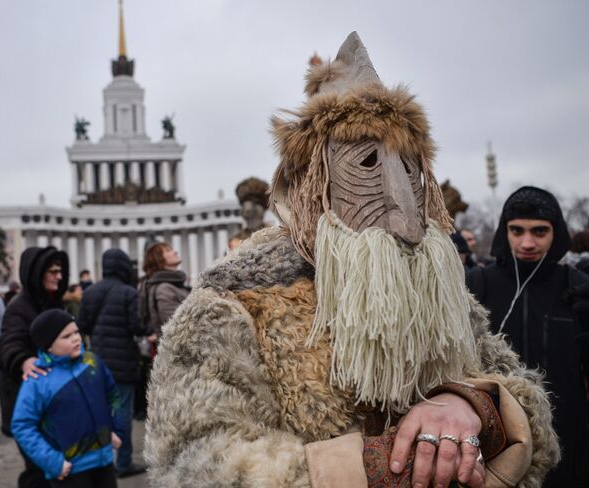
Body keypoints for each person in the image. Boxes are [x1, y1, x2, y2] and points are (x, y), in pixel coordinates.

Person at [145, 32, 559, 488]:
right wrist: (381, 465)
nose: (405, 217)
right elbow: (191, 460)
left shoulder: (445, 301)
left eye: (410, 170)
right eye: (366, 166)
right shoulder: (232, 307)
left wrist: (474, 403)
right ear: (309, 187)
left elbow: (524, 398)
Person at [467, 186, 589, 486]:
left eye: (539, 231)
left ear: (555, 233)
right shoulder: (477, 284)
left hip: (568, 442)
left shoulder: (578, 288)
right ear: (504, 232)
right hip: (497, 437)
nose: (527, 242)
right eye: (517, 230)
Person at [12, 309, 123, 488]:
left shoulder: (92, 362)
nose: (76, 338)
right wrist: (53, 463)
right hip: (71, 471)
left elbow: (112, 395)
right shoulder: (38, 381)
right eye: (66, 336)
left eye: (76, 332)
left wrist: (116, 429)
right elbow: (22, 426)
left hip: (104, 460)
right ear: (48, 346)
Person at [0, 246, 69, 488]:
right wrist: (23, 360)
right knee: (38, 471)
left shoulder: (53, 304)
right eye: (52, 271)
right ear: (36, 273)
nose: (59, 276)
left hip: (51, 406)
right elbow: (8, 345)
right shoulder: (19, 307)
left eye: (60, 271)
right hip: (26, 405)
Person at [77, 249, 149, 478]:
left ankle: (103, 458)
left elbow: (82, 326)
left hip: (96, 362)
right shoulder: (128, 292)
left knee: (101, 410)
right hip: (122, 362)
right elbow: (136, 327)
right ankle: (124, 462)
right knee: (122, 413)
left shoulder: (90, 292)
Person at [135, 242, 190, 419]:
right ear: (160, 260)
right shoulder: (165, 287)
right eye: (168, 251)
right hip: (180, 359)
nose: (175, 251)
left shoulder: (170, 284)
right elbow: (176, 325)